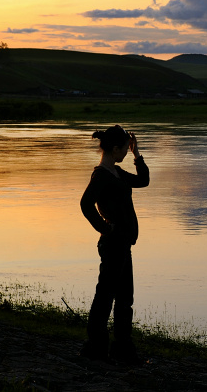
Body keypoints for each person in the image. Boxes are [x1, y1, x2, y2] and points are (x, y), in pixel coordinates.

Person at [79, 125, 150, 364]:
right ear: (115, 148)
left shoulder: (117, 172)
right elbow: (86, 204)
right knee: (106, 296)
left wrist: (137, 154)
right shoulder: (101, 175)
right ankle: (96, 347)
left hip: (123, 244)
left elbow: (143, 180)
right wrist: (104, 227)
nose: (125, 153)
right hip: (112, 244)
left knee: (124, 298)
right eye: (124, 149)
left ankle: (121, 349)